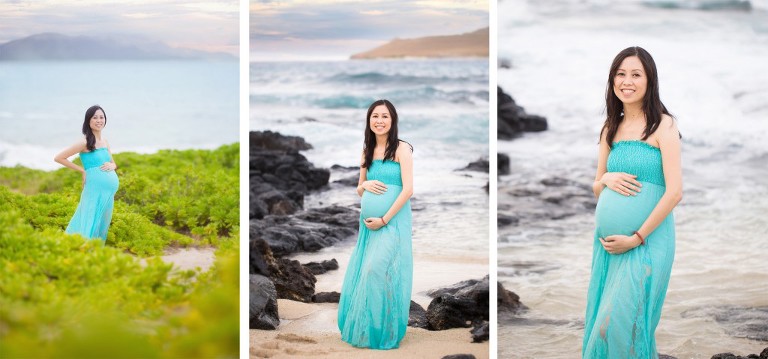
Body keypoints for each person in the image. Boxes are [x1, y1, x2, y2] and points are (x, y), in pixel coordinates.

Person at [583, 46, 683, 358]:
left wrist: (636, 238)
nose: (627, 81)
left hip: (647, 241)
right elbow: (597, 185)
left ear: (649, 81)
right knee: (606, 327)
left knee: (620, 325)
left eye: (636, 74)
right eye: (621, 74)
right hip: (610, 247)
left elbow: (675, 191)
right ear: (612, 80)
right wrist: (607, 180)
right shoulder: (609, 127)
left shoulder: (663, 125)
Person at [337, 99, 414, 349]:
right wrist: (365, 186)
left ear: (393, 121)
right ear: (369, 121)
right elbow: (360, 188)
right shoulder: (366, 151)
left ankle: (385, 328)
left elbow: (408, 190)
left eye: (385, 117)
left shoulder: (402, 149)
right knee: (368, 272)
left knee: (377, 269)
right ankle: (369, 329)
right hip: (368, 225)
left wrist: (384, 219)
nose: (379, 121)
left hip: (392, 221)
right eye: (375, 116)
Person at [54, 105, 120, 243]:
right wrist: (82, 170)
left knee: (102, 221)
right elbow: (59, 158)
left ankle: (95, 250)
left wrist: (112, 165)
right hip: (94, 189)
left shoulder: (105, 141)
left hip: (108, 193)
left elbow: (114, 163)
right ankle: (80, 248)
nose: (99, 120)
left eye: (101, 117)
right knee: (89, 217)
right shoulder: (84, 143)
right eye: (94, 117)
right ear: (88, 121)